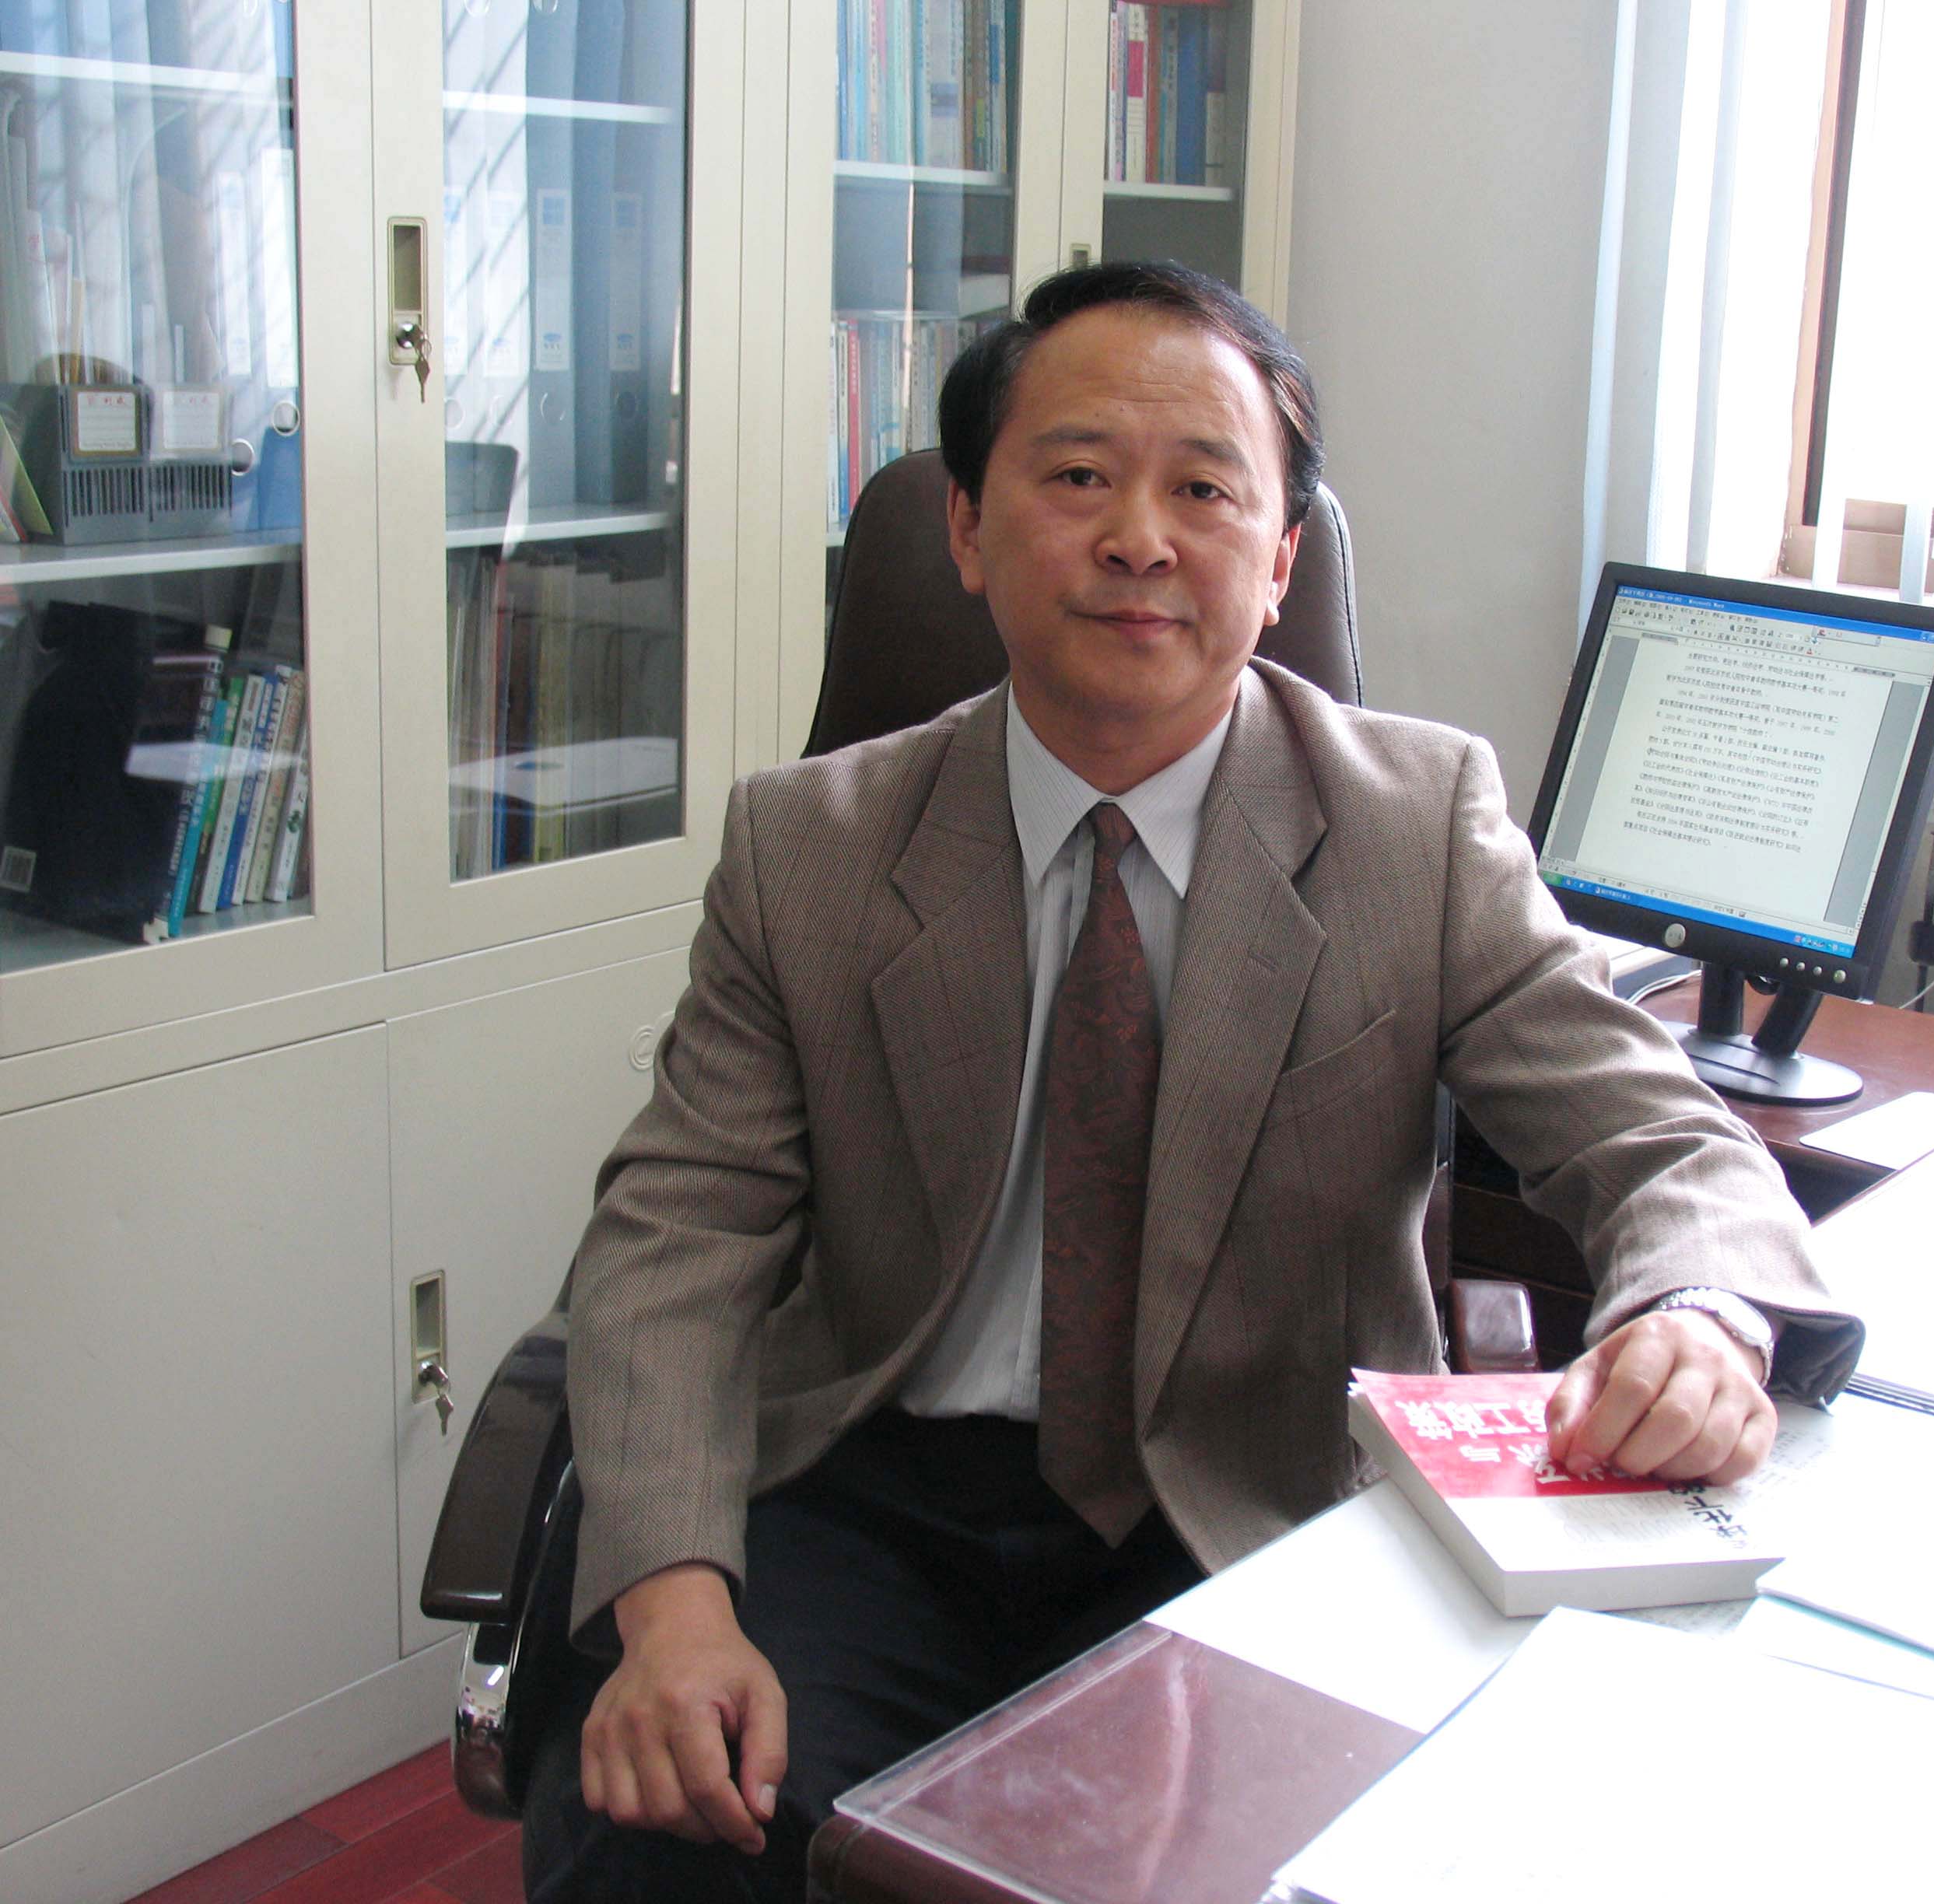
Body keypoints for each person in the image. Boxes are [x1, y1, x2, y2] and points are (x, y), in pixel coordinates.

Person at [524, 261, 1864, 1901]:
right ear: (967, 531)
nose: (1139, 539)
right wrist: (672, 1604)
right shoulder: (810, 848)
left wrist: (1701, 1318)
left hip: (1260, 1510)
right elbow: (675, 1235)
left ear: (1281, 558)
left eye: (1206, 489)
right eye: (1079, 475)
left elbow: (1660, 1139)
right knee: (668, 1829)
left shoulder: (1414, 828)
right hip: (879, 1493)